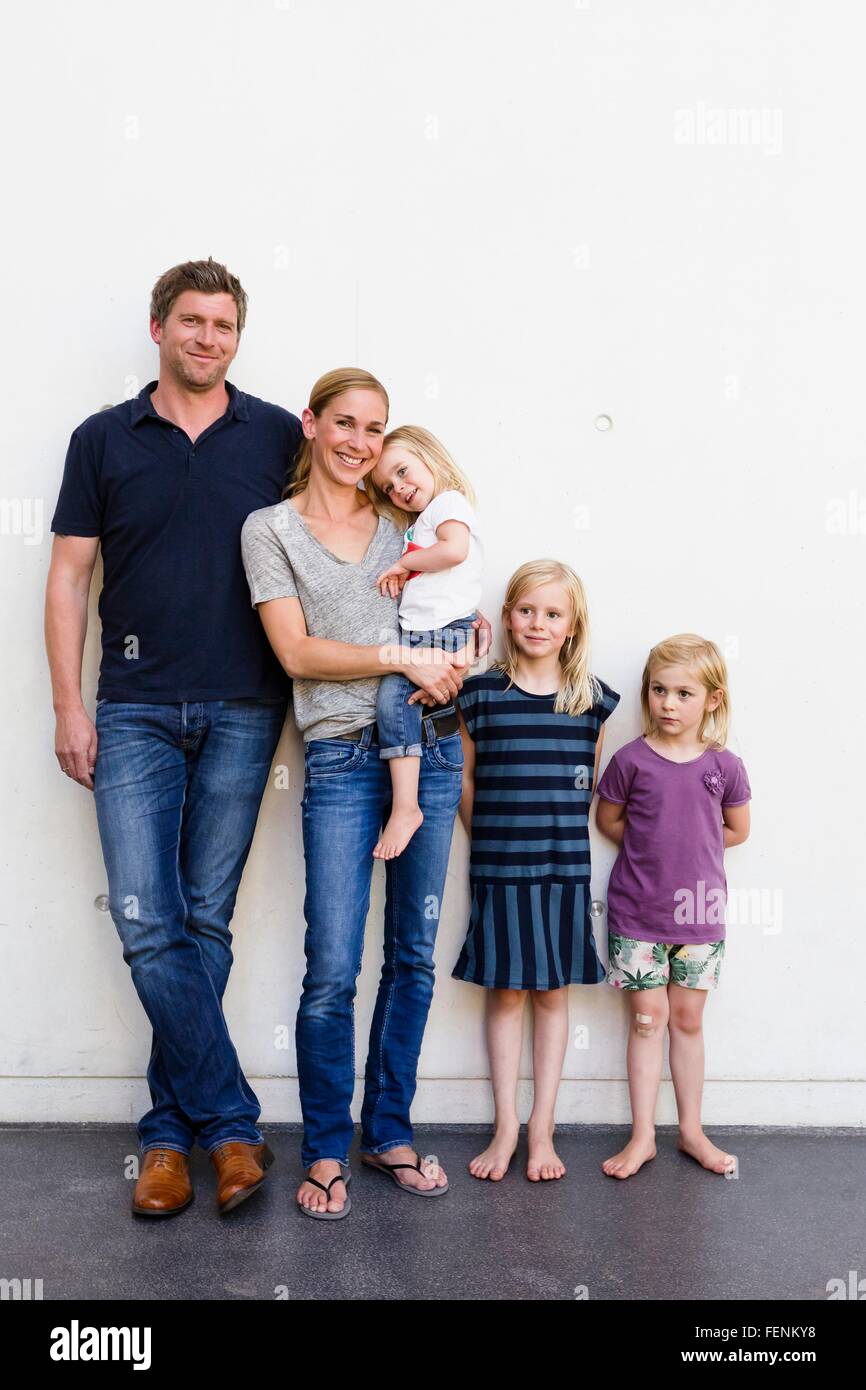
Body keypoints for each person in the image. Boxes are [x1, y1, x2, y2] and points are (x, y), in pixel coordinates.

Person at [45, 258, 302, 1217]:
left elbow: (345, 525)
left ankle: (164, 1139)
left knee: (202, 922)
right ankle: (231, 1126)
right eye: (190, 321)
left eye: (223, 325)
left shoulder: (278, 435)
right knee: (148, 920)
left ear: (239, 337)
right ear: (158, 327)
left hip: (245, 705)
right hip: (133, 709)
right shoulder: (102, 439)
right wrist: (70, 706)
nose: (207, 338)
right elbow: (71, 577)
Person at [240, 368, 493, 1220]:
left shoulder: (406, 523)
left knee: (412, 959)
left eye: (375, 430)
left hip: (431, 747)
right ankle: (322, 1150)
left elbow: (457, 606)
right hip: (343, 761)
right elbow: (299, 655)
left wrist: (464, 647)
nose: (360, 443)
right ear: (311, 425)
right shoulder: (271, 529)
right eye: (344, 423)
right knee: (334, 966)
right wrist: (402, 660)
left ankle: (387, 1132)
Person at [451, 560, 620, 1182]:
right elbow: (465, 777)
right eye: (526, 610)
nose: (537, 623)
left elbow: (587, 787)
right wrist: (488, 836)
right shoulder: (479, 694)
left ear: (572, 627)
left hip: (561, 869)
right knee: (506, 993)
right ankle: (505, 1127)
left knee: (551, 993)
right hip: (498, 866)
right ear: (507, 616)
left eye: (553, 614)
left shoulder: (591, 701)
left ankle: (543, 1131)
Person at [595, 634, 751, 1179]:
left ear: (711, 699)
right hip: (637, 914)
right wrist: (656, 845)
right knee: (646, 1021)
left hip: (700, 918)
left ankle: (691, 1132)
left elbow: (736, 830)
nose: (667, 703)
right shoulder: (630, 760)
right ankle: (642, 1137)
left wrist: (691, 844)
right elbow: (608, 822)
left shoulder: (724, 766)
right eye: (659, 690)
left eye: (683, 693)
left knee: (687, 1020)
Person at [366, 426, 484, 859]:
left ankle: (406, 806)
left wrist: (403, 562)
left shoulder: (447, 504)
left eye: (402, 471)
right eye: (389, 487)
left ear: (430, 457)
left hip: (439, 632)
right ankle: (408, 804)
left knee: (394, 704)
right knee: (410, 707)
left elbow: (455, 552)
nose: (399, 488)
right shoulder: (419, 522)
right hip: (426, 633)